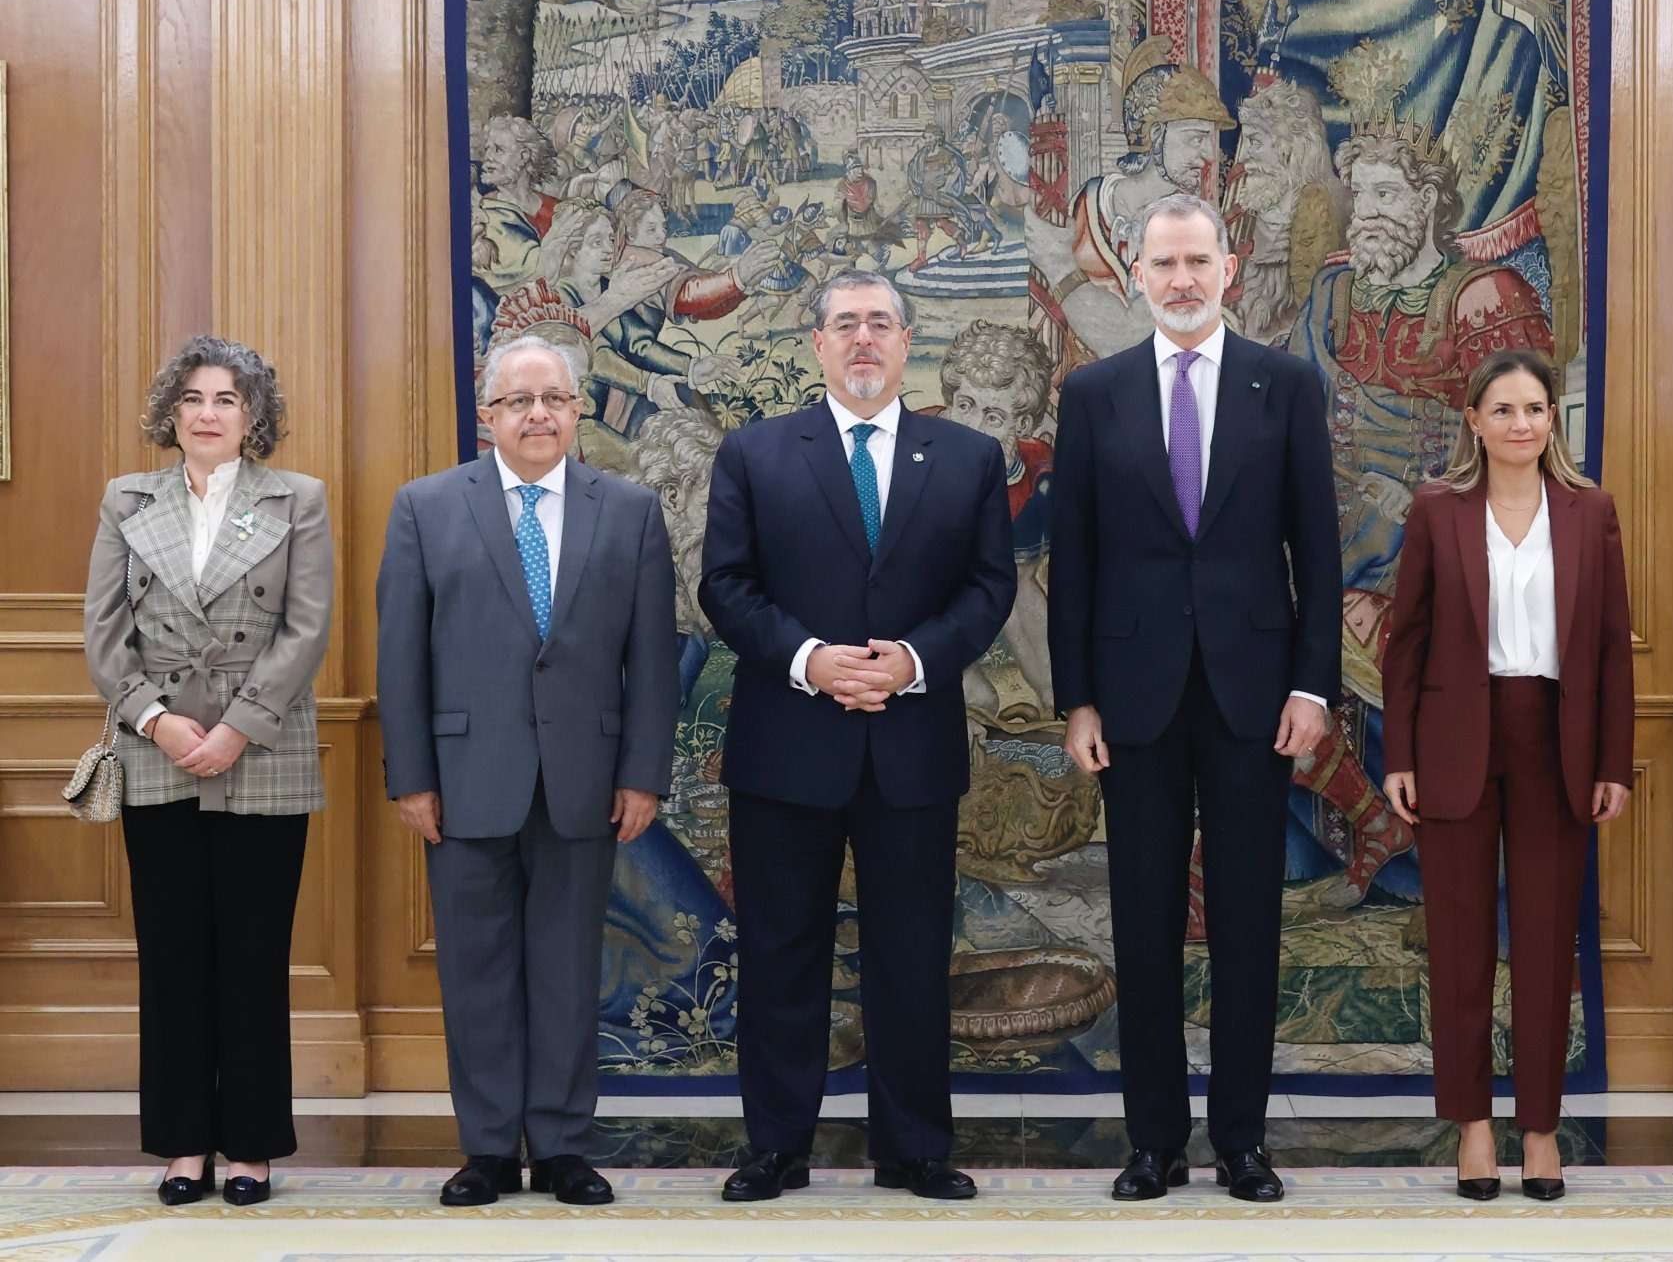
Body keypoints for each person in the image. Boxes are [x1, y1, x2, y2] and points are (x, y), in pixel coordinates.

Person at [699, 270, 1017, 1203]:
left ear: (908, 342)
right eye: (846, 325)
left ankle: (914, 1148)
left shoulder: (966, 456)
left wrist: (913, 661)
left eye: (881, 323)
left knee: (913, 955)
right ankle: (776, 1147)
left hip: (912, 745)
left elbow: (989, 589)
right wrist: (810, 660)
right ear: (818, 344)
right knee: (781, 952)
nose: (864, 339)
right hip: (787, 744)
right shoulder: (755, 454)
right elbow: (727, 585)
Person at [1048, 193, 1341, 1203]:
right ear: (1135, 271)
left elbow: (1317, 549)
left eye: (1195, 261)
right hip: (1131, 699)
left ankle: (1243, 1141)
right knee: (1141, 920)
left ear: (1228, 267)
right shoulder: (1093, 394)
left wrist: (1313, 684)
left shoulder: (1285, 386)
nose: (1178, 279)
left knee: (1248, 922)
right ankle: (1153, 1141)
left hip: (1254, 695)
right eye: (1161, 263)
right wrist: (1075, 701)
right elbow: (1072, 561)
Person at [375, 334, 680, 1208]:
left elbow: (652, 660)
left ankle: (559, 1148)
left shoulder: (629, 510)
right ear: (489, 416)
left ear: (578, 411)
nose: (538, 414)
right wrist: (412, 777)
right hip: (466, 778)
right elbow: (402, 657)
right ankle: (484, 1149)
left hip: (586, 779)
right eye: (519, 400)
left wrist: (643, 774)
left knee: (566, 967)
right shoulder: (427, 508)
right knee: (475, 969)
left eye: (554, 399)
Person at [83, 336, 334, 1208]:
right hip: (158, 755)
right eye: (193, 398)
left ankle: (253, 1148)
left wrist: (237, 729)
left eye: (228, 399)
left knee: (255, 958)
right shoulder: (128, 499)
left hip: (262, 753)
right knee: (174, 958)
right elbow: (103, 631)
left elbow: (307, 629)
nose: (208, 412)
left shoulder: (298, 498)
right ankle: (184, 1145)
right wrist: (154, 718)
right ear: (172, 413)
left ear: (254, 415)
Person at [1379, 348, 1634, 1202]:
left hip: (1555, 746)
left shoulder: (1590, 512)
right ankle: (1475, 1128)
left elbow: (1607, 649)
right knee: (1459, 946)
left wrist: (1612, 764)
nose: (1520, 424)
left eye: (1534, 408)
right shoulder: (1438, 510)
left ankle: (1539, 1128)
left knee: (1542, 942)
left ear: (1552, 419)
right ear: (1474, 422)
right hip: (1454, 743)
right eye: (1503, 410)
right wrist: (1400, 759)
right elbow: (1403, 643)